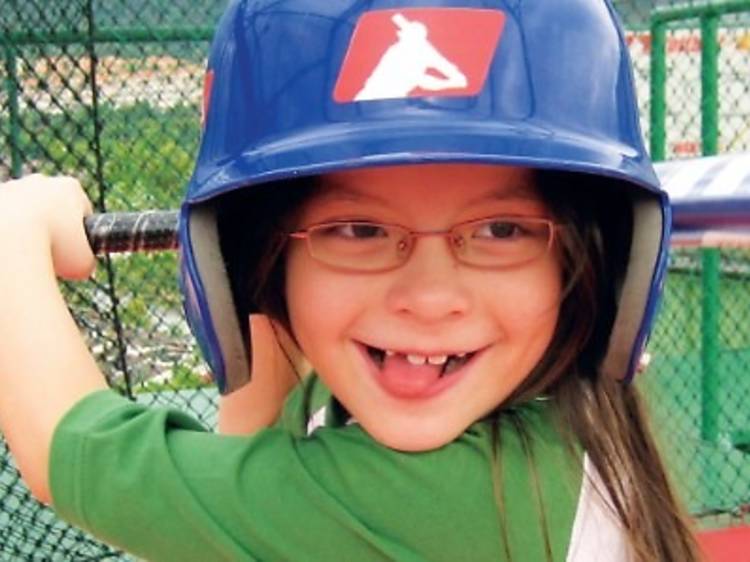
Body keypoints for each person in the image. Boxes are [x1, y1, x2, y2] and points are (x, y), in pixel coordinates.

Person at [0, 1, 703, 561]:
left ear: (586, 264)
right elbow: (250, 457)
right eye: (357, 231)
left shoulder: (460, 499)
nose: (429, 299)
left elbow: (72, 452)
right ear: (266, 261)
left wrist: (14, 229)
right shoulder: (552, 417)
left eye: (500, 230)